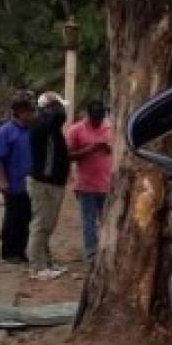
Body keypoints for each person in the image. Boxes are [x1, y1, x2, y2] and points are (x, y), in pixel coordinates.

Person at [0, 93, 36, 263]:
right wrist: (2, 180)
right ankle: (9, 251)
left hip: (30, 182)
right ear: (20, 112)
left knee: (26, 217)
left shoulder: (32, 130)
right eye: (29, 111)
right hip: (13, 181)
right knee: (13, 217)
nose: (32, 114)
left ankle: (21, 251)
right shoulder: (6, 131)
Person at [26, 91, 71, 280]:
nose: (62, 109)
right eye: (58, 105)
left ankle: (46, 262)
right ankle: (37, 267)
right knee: (41, 225)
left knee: (47, 225)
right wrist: (54, 105)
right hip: (44, 182)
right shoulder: (43, 122)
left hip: (52, 182)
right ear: (50, 107)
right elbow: (61, 115)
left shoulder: (50, 126)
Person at [66, 97, 113, 262]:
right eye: (94, 119)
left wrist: (108, 148)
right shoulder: (76, 130)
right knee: (89, 221)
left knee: (108, 220)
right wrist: (90, 149)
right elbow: (69, 155)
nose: (97, 122)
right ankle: (91, 253)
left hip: (107, 183)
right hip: (86, 184)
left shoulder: (110, 128)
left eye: (99, 118)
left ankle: (107, 250)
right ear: (88, 115)